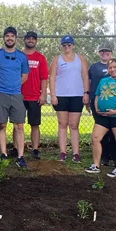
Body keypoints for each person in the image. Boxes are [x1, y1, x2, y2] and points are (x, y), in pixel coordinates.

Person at [85, 59, 116, 177]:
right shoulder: (103, 80)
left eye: (115, 67)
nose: (113, 70)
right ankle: (96, 165)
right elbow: (97, 95)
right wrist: (96, 108)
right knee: (95, 138)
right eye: (110, 67)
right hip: (103, 116)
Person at [0, 26, 29, 168]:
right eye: (7, 36)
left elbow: (25, 75)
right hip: (0, 93)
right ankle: (3, 154)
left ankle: (20, 156)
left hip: (16, 94)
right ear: (4, 38)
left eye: (12, 36)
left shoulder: (21, 56)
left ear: (16, 39)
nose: (9, 38)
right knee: (2, 124)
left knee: (19, 125)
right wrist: (2, 85)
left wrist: (14, 85)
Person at [49, 35, 90, 163]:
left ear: (73, 45)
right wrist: (53, 94)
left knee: (74, 125)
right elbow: (52, 77)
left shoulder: (80, 59)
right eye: (64, 45)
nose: (67, 47)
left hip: (77, 95)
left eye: (69, 45)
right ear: (62, 46)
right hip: (61, 95)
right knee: (62, 124)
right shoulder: (57, 59)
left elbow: (85, 76)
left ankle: (76, 153)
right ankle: (63, 152)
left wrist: (86, 92)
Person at [88, 43, 116, 166]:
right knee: (101, 133)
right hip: (98, 104)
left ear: (111, 52)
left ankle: (115, 157)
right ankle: (104, 157)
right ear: (99, 53)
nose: (104, 53)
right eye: (102, 51)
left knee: (115, 134)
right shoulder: (94, 67)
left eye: (107, 51)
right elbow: (89, 83)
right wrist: (89, 98)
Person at [21, 30, 48, 160]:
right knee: (17, 124)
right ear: (24, 40)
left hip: (34, 96)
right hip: (19, 95)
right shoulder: (19, 55)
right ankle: (17, 148)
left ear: (36, 41)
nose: (30, 40)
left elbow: (44, 78)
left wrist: (43, 94)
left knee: (35, 124)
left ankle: (35, 149)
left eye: (33, 39)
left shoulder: (40, 58)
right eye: (28, 38)